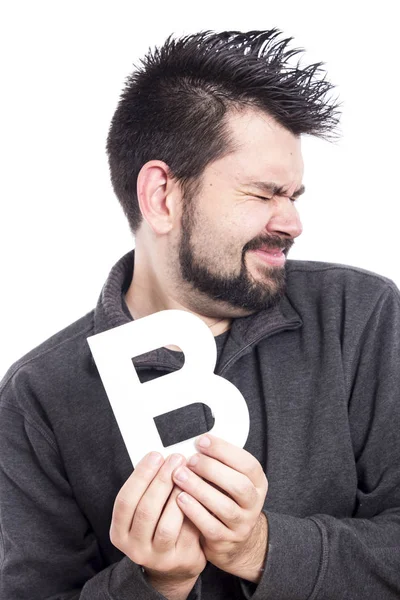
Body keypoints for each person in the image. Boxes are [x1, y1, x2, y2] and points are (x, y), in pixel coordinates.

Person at [1, 29, 399, 600]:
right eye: (264, 195)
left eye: (294, 195)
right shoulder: (37, 395)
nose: (293, 223)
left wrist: (261, 548)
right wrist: (155, 583)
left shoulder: (360, 317)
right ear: (162, 196)